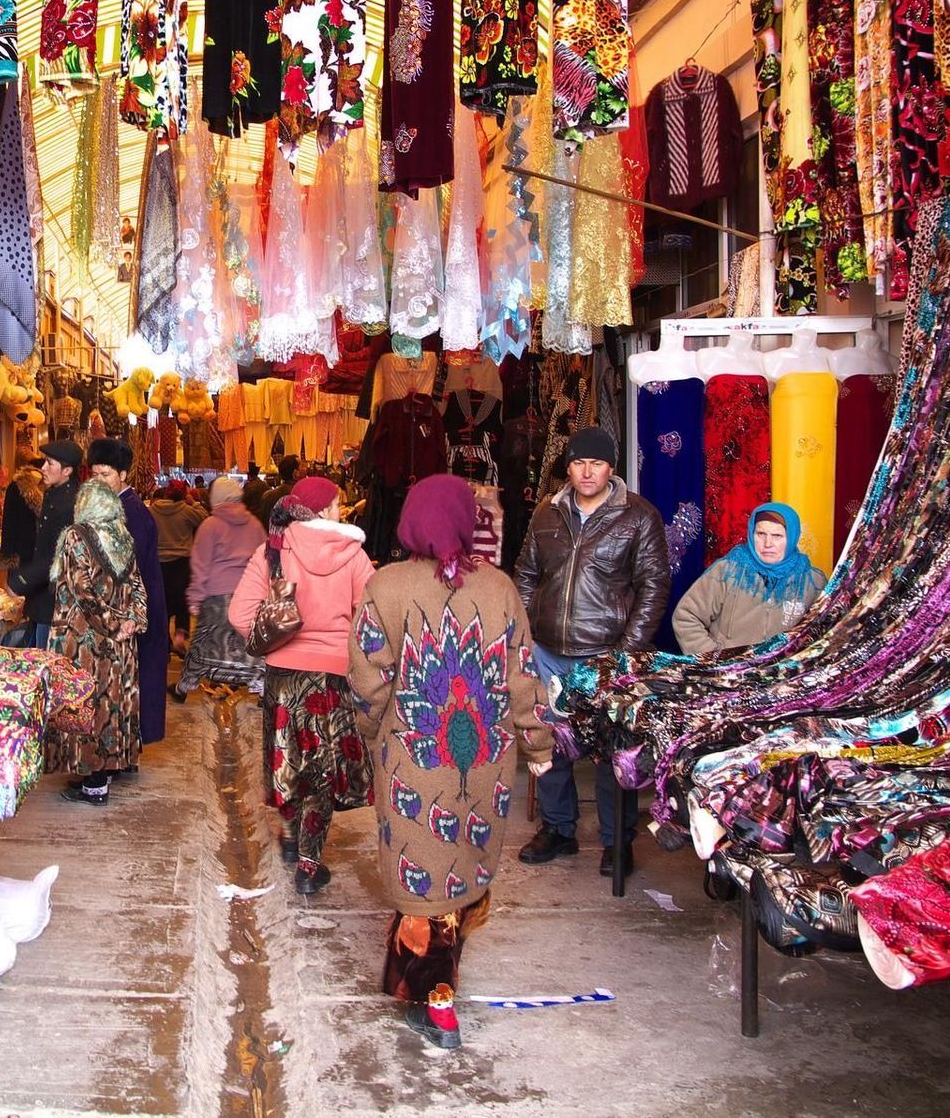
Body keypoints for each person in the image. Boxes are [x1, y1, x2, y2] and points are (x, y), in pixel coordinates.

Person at [347, 475, 555, 1049]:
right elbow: (522, 676)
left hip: (413, 755)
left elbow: (368, 679)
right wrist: (536, 746)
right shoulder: (500, 589)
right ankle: (425, 985)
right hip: (484, 758)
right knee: (458, 864)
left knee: (424, 865)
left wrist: (373, 737)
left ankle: (431, 994)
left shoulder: (384, 585)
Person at [514, 426, 671, 880]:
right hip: (548, 651)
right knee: (549, 744)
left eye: (596, 463)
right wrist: (525, 632)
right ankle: (558, 829)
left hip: (606, 654)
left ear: (611, 468)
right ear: (568, 466)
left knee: (611, 755)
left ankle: (615, 841)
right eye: (580, 463)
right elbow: (526, 573)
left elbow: (654, 586)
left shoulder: (638, 516)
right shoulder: (547, 512)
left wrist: (627, 651)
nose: (587, 471)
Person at [229, 476, 375, 895]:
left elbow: (241, 616)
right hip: (331, 677)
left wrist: (277, 638)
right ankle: (309, 865)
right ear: (325, 509)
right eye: (338, 504)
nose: (342, 511)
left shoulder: (273, 550)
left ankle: (291, 835)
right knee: (322, 772)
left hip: (283, 676)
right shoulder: (352, 554)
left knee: (289, 760)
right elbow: (371, 619)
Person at [46, 481, 150, 806]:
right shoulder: (123, 536)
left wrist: (111, 625)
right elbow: (137, 584)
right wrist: (131, 621)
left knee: (88, 705)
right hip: (120, 645)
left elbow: (83, 592)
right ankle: (103, 774)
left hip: (87, 641)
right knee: (112, 703)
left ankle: (93, 783)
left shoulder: (77, 536)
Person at [88, 438, 170, 746]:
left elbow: (123, 572)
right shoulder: (115, 508)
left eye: (105, 474)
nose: (99, 481)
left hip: (133, 614)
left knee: (128, 685)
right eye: (94, 474)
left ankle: (122, 750)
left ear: (123, 475)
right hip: (129, 611)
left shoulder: (131, 513)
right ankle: (124, 750)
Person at [671, 503, 826, 656]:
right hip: (728, 676)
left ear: (792, 537)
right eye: (761, 534)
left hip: (786, 676)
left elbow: (826, 633)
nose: (767, 544)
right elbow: (686, 617)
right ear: (751, 534)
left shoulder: (812, 582)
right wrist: (715, 660)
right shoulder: (727, 571)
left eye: (777, 536)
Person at [178, 476, 266, 698]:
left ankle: (186, 685)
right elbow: (266, 558)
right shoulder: (255, 524)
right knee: (249, 643)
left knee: (205, 644)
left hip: (216, 596)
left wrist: (195, 598)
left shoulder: (210, 525)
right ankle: (259, 685)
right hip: (248, 595)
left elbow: (200, 565)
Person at [7, 439, 82, 648]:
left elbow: (54, 555)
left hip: (54, 602)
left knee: (45, 661)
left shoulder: (69, 504)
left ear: (67, 470)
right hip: (41, 598)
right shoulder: (53, 494)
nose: (43, 468)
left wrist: (20, 581)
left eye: (50, 463)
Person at [149, 478, 207, 660]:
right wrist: (194, 503)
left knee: (162, 604)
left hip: (159, 563)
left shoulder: (152, 511)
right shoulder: (186, 511)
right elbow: (205, 518)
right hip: (182, 562)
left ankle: (164, 644)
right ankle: (180, 636)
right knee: (183, 601)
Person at [0, 453, 47, 570]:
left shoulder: (51, 489)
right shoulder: (16, 488)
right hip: (21, 553)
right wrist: (7, 555)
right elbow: (8, 523)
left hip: (44, 556)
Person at [255, 454, 302, 524]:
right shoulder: (298, 497)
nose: (306, 468)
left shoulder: (267, 495)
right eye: (302, 466)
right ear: (295, 473)